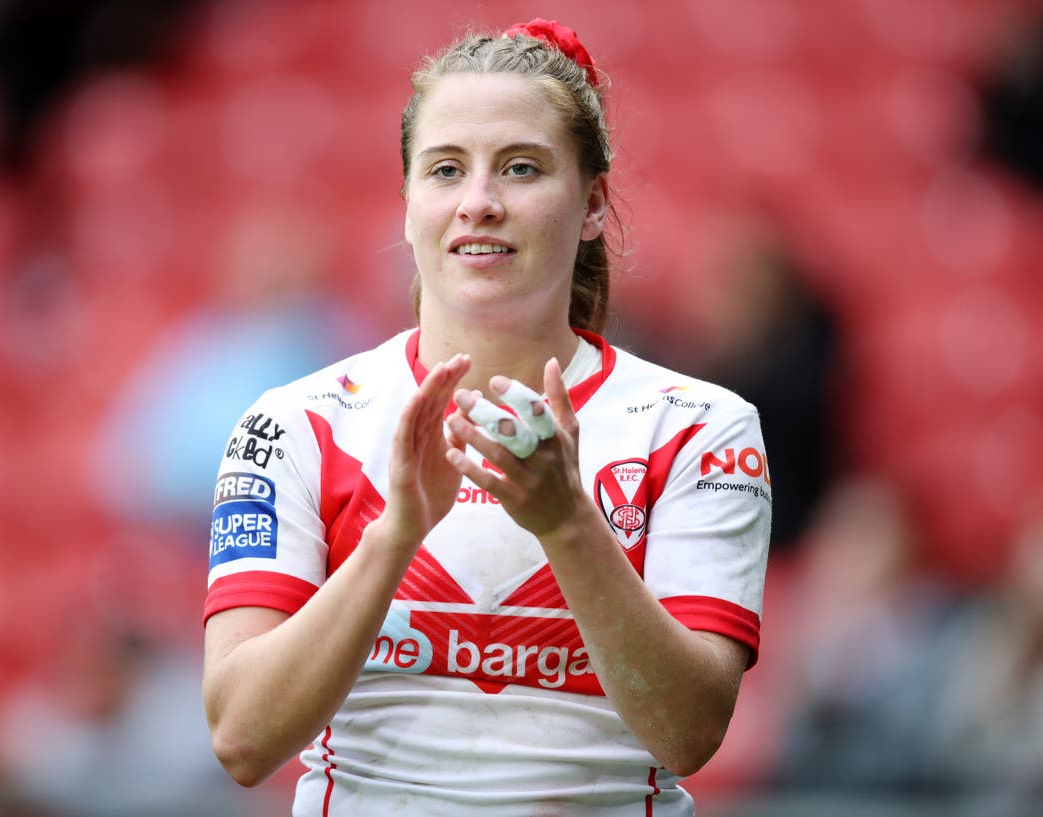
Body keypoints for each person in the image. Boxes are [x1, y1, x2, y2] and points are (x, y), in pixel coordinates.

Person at [202, 18, 771, 816]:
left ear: (594, 204)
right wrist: (395, 534)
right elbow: (243, 739)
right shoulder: (296, 423)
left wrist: (568, 522)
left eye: (521, 168)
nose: (479, 203)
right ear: (407, 205)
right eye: (445, 169)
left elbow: (688, 733)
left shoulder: (697, 427)